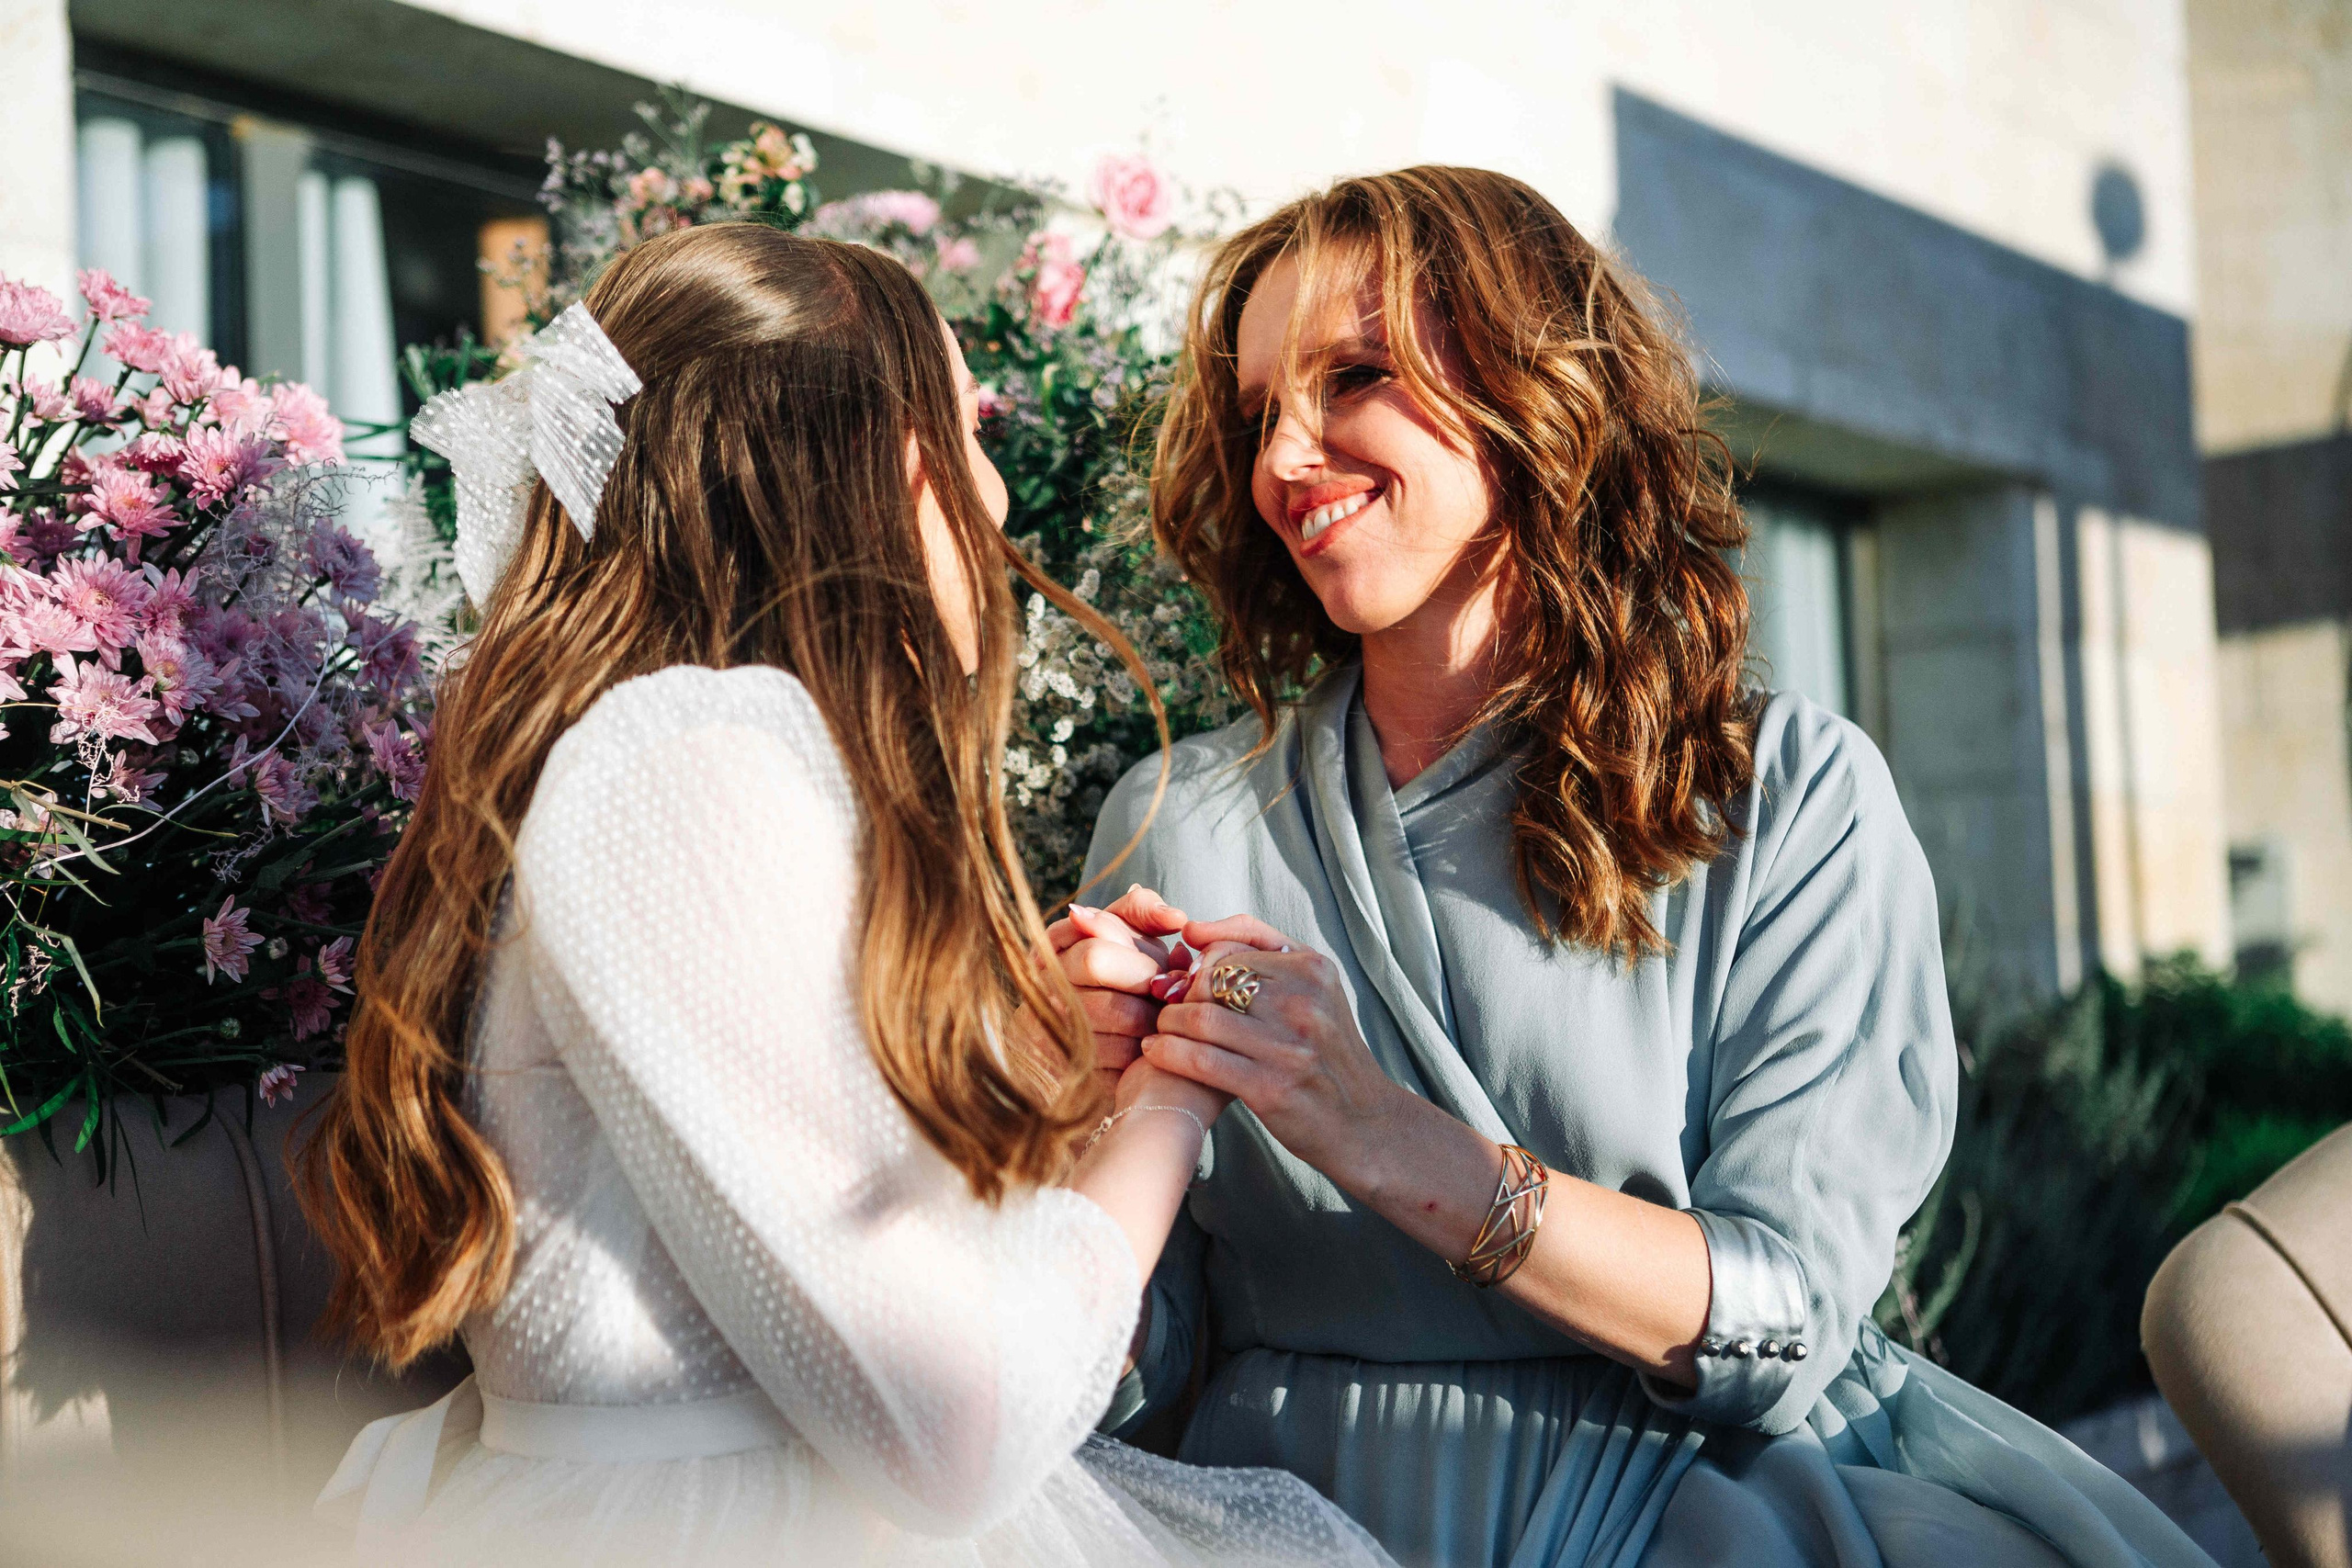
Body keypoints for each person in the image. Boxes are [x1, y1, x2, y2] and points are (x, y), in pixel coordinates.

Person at [1060, 166, 2215, 1568]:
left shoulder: (1788, 800)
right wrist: (1072, 1120)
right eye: (1258, 415)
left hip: (1693, 1516)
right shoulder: (1179, 816)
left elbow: (1784, 1316)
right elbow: (1119, 1358)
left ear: (1530, 391)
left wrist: (1382, 1133)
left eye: (1352, 377)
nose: (1284, 462)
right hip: (1270, 1525)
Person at [293, 222, 1388, 1568]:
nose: (991, 503)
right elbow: (956, 1434)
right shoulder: (693, 770)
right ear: (859, 466)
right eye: (961, 436)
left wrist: (1026, 1062)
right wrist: (1169, 1105)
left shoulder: (687, 759)